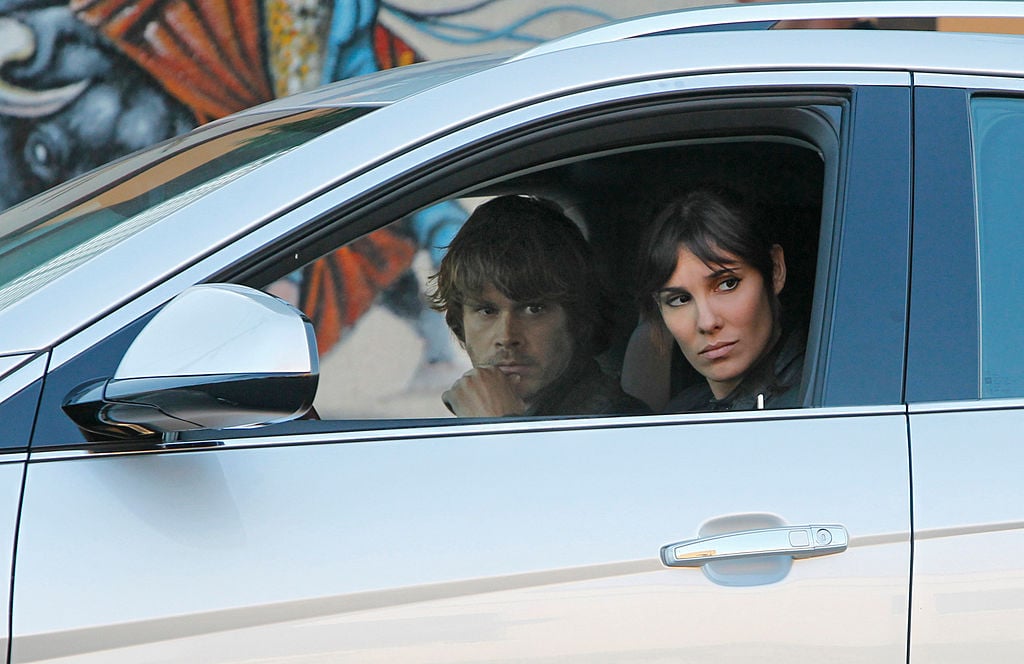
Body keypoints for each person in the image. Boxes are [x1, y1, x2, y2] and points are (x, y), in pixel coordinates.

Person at [428, 195, 650, 418]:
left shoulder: (620, 422)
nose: (506, 336)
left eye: (534, 309)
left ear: (579, 321)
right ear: (460, 324)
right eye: (487, 311)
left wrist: (500, 427)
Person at [635, 186, 805, 412]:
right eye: (679, 299)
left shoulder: (816, 405)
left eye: (727, 284)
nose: (706, 322)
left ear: (775, 270)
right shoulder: (681, 414)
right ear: (659, 306)